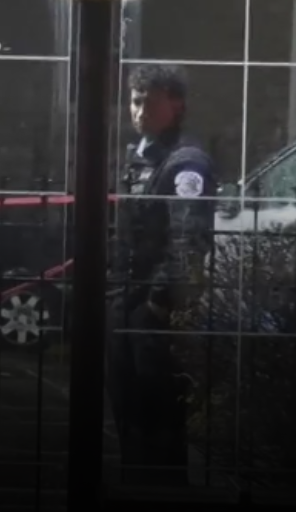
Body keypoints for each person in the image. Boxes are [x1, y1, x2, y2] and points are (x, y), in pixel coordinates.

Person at [107, 63, 216, 486]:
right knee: (128, 411)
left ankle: (161, 494)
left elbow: (189, 241)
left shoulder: (186, 164)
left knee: (159, 418)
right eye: (135, 102)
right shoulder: (143, 157)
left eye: (149, 103)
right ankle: (136, 487)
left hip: (153, 313)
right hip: (125, 300)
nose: (139, 111)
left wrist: (159, 303)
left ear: (177, 104)